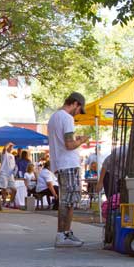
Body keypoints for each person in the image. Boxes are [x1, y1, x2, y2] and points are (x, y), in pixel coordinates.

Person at [47, 92, 89, 247]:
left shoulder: (54, 117)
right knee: (68, 201)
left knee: (67, 200)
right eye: (79, 109)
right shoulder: (67, 118)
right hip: (68, 164)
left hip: (60, 163)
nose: (78, 113)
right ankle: (63, 233)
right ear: (76, 104)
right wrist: (82, 140)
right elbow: (69, 144)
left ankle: (64, 233)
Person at [0, 142, 17, 207]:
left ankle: (11, 202)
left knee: (14, 189)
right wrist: (7, 144)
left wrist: (14, 170)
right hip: (4, 173)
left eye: (12, 147)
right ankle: (4, 202)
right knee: (4, 188)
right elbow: (4, 149)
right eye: (10, 147)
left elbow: (13, 165)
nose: (11, 148)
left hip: (10, 174)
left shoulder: (12, 156)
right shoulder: (4, 154)